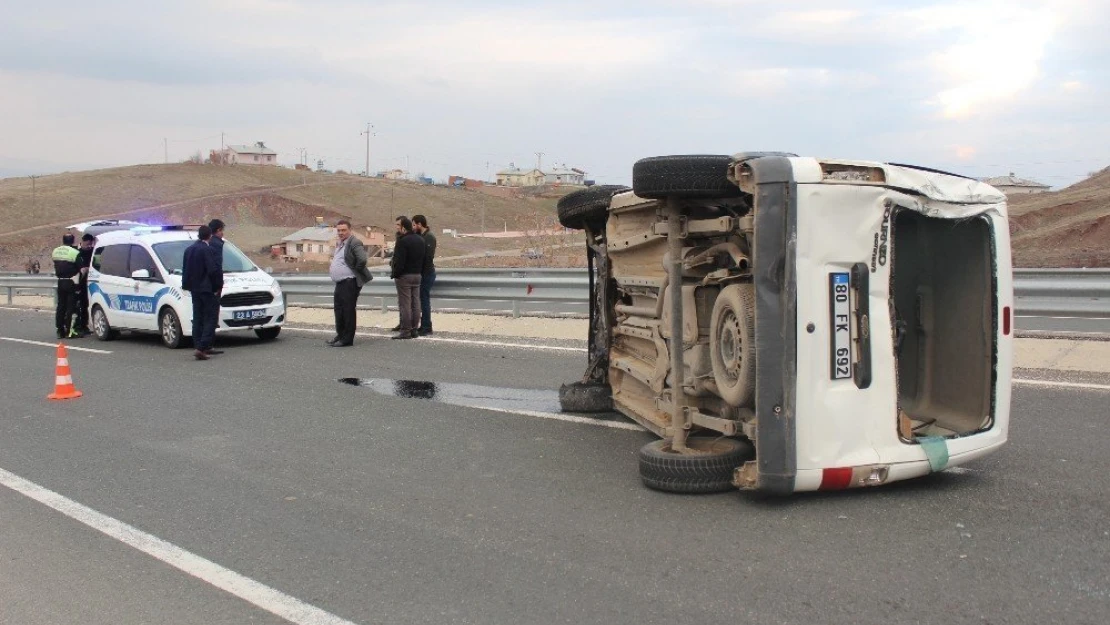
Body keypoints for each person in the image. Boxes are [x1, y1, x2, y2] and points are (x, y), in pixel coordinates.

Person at [328, 219, 373, 347]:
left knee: (347, 310)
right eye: (339, 230)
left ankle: (347, 339)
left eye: (343, 230)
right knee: (339, 309)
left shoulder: (354, 242)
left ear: (349, 230)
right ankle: (340, 335)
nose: (341, 232)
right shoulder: (340, 243)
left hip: (349, 282)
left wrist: (355, 271)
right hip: (340, 283)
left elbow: (362, 259)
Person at [182, 225, 223, 361]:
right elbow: (212, 270)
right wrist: (217, 286)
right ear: (210, 235)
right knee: (210, 317)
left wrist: (187, 285)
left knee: (197, 317)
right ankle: (202, 347)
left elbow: (185, 270)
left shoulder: (188, 250)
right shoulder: (207, 250)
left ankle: (198, 344)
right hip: (206, 289)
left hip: (194, 289)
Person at [390, 216, 426, 340]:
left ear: (404, 228)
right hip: (417, 275)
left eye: (398, 226)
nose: (397, 229)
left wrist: (395, 273)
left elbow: (399, 261)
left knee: (405, 304)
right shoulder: (420, 239)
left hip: (405, 276)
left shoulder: (403, 241)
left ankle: (405, 331)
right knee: (416, 303)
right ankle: (414, 329)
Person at [50, 233, 81, 339]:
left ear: (63, 240)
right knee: (71, 306)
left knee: (61, 306)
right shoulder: (75, 252)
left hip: (60, 282)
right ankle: (69, 330)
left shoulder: (55, 251)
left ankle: (59, 330)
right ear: (73, 241)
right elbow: (81, 268)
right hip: (72, 281)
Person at [412, 214, 436, 336]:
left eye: (414, 224)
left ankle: (426, 326)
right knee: (421, 300)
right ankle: (423, 325)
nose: (413, 227)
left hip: (426, 273)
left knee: (424, 300)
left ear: (420, 224)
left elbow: (427, 257)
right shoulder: (421, 236)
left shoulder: (429, 237)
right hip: (422, 273)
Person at [207, 219, 226, 346]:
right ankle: (208, 344)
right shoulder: (216, 245)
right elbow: (216, 267)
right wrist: (218, 285)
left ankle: (204, 344)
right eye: (222, 230)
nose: (223, 233)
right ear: (218, 230)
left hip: (205, 284)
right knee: (212, 314)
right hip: (212, 286)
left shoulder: (206, 243)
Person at [74, 233, 96, 336]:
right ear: (82, 242)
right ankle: (79, 326)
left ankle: (85, 325)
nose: (88, 247)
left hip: (90, 282)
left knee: (87, 304)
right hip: (79, 282)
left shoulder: (92, 251)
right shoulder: (76, 252)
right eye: (87, 244)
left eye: (90, 245)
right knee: (79, 305)